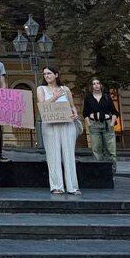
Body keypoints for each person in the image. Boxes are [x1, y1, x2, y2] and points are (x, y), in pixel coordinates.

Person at [38, 66, 80, 195]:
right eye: (44, 74)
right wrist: (54, 97)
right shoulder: (41, 89)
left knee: (69, 155)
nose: (46, 76)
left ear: (56, 75)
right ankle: (57, 186)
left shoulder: (65, 89)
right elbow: (43, 106)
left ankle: (73, 186)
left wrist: (75, 114)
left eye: (49, 73)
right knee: (53, 155)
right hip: (50, 125)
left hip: (67, 124)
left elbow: (72, 106)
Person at [84, 78, 119, 172]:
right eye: (94, 83)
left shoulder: (107, 97)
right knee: (96, 150)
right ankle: (99, 173)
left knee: (111, 151)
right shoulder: (88, 98)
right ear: (91, 86)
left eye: (98, 83)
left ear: (101, 85)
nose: (96, 85)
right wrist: (89, 125)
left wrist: (112, 124)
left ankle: (111, 173)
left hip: (107, 124)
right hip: (94, 125)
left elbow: (115, 112)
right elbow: (85, 113)